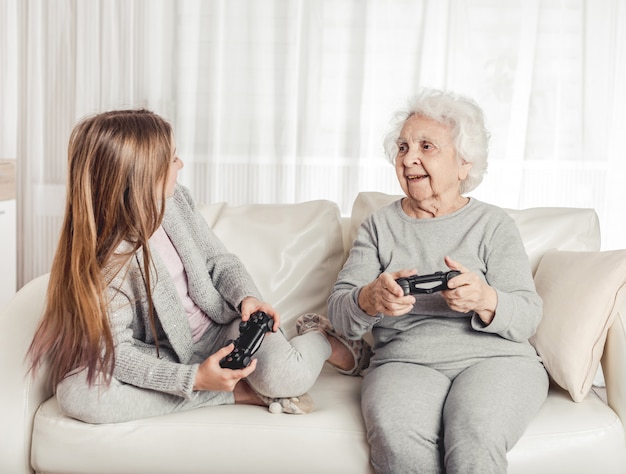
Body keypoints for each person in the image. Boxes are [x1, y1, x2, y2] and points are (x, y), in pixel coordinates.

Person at [27, 109, 365, 424]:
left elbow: (220, 261)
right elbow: (116, 354)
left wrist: (247, 298)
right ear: (142, 176)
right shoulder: (108, 263)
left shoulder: (176, 202)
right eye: (173, 158)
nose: (181, 163)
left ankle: (320, 337)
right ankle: (232, 394)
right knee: (78, 394)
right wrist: (194, 379)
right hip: (166, 355)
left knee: (287, 377)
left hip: (223, 330)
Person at [311, 89, 549, 473]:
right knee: (397, 436)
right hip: (405, 360)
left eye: (426, 146)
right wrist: (369, 299)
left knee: (476, 432)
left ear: (463, 164)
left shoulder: (493, 225)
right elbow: (340, 315)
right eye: (403, 147)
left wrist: (485, 298)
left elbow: (527, 315)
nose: (409, 159)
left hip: (495, 360)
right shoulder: (379, 227)